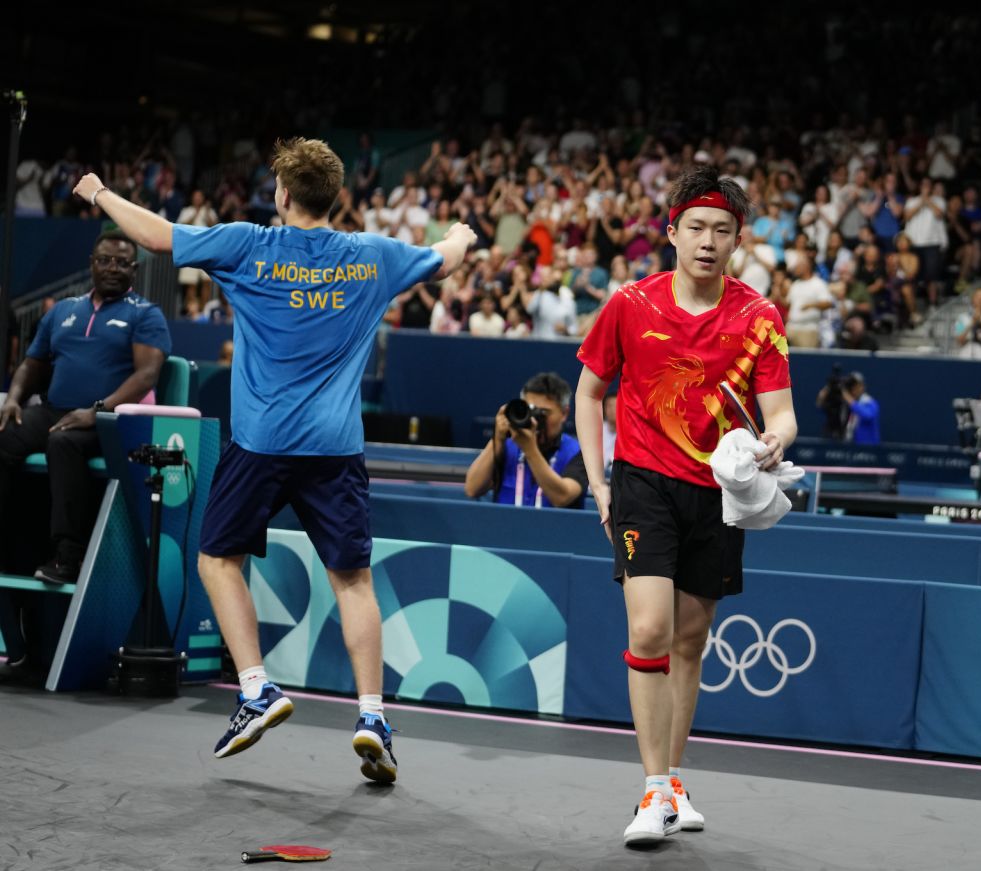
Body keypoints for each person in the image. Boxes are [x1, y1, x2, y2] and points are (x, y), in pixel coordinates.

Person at [71, 137, 475, 781]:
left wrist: (98, 192)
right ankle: (372, 716)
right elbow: (447, 260)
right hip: (336, 449)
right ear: (334, 197)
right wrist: (463, 231)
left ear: (283, 195)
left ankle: (256, 688)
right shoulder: (372, 256)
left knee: (216, 559)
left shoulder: (248, 243)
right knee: (354, 581)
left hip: (262, 444)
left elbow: (157, 238)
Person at [574, 165, 797, 847]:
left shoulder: (759, 317)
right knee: (649, 631)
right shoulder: (630, 304)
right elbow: (589, 393)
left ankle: (674, 778)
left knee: (691, 641)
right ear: (671, 232)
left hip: (718, 493)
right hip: (643, 481)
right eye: (695, 227)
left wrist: (769, 442)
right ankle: (650, 790)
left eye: (721, 230)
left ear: (737, 240)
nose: (707, 240)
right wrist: (600, 483)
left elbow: (783, 416)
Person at [0, 231, 171, 584]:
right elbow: (32, 364)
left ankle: (68, 557)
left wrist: (96, 410)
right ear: (92, 264)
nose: (112, 267)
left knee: (62, 444)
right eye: (105, 260)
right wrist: (14, 398)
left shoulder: (146, 314)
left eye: (122, 262)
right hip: (56, 410)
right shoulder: (63, 310)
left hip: (113, 420)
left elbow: (146, 375)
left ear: (134, 269)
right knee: (4, 434)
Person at [462, 372, 588, 508]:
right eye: (531, 410)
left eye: (544, 413)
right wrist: (497, 438)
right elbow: (472, 489)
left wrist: (529, 449)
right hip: (505, 527)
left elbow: (562, 497)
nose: (536, 419)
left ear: (564, 413)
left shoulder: (579, 453)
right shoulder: (508, 445)